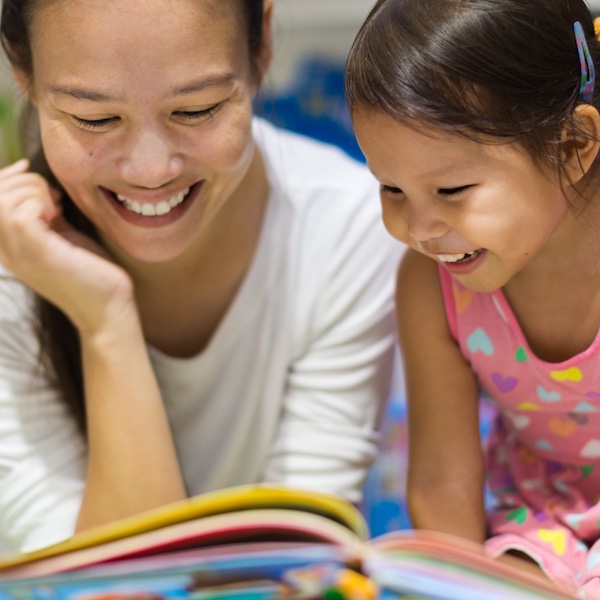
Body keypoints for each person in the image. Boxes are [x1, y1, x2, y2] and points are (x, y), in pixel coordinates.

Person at [0, 0, 402, 554]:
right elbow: (100, 587)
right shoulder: (10, 276)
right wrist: (104, 322)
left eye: (197, 109)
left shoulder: (347, 228)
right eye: (95, 118)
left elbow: (296, 559)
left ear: (261, 42)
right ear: (22, 71)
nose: (150, 170)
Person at [345, 0, 600, 596]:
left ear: (573, 146)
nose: (421, 226)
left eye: (452, 189)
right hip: (545, 516)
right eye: (391, 188)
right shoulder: (431, 286)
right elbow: (442, 482)